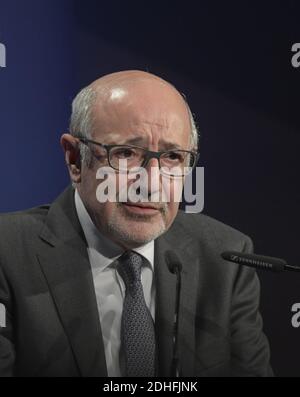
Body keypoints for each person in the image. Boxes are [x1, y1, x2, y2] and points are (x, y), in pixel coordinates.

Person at [0, 70, 272, 377]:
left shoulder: (225, 258)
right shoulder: (7, 254)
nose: (151, 183)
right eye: (126, 153)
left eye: (172, 157)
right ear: (75, 159)